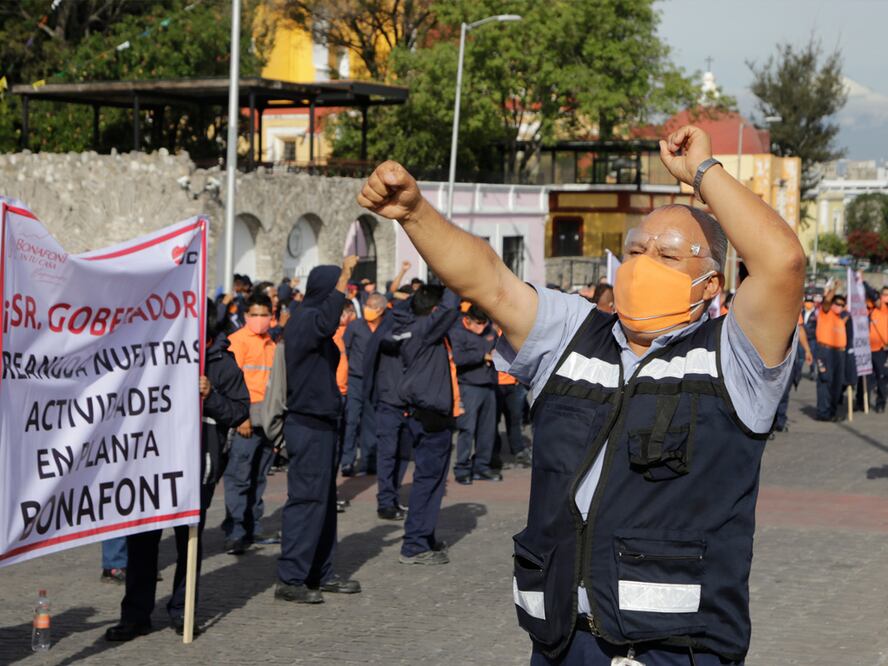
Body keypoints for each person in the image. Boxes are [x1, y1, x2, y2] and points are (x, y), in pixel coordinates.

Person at [357, 124, 806, 664]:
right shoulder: (573, 331)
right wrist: (414, 213)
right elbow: (489, 282)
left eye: (667, 255)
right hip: (562, 640)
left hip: (671, 649)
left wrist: (703, 174)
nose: (643, 263)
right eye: (636, 249)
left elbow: (782, 262)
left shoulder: (733, 355)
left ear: (710, 285)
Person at [106, 301, 250, 640]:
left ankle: (182, 611)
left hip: (196, 469)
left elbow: (239, 412)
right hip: (152, 465)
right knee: (142, 542)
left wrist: (210, 395)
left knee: (190, 544)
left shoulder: (222, 364)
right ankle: (135, 615)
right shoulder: (152, 354)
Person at [276, 257, 362, 604]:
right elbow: (327, 320)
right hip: (307, 423)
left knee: (324, 504)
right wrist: (345, 275)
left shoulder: (312, 318)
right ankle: (291, 578)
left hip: (324, 423)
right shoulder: (305, 319)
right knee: (306, 500)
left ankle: (320, 572)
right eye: (337, 291)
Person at [395, 285, 461, 565]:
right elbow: (450, 307)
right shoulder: (424, 328)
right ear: (433, 310)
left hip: (428, 411)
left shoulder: (413, 326)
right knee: (428, 481)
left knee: (431, 480)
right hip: (430, 414)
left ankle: (423, 535)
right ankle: (415, 544)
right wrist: (453, 278)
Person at [221, 292, 279, 554]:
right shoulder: (237, 341)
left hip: (267, 420)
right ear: (245, 316)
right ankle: (236, 532)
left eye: (263, 315)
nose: (259, 319)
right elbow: (231, 385)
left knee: (258, 478)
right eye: (254, 314)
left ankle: (252, 527)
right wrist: (240, 417)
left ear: (271, 316)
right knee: (239, 478)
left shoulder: (272, 345)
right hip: (246, 418)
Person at [364, 295, 412, 520]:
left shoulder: (413, 335)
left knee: (402, 455)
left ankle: (392, 497)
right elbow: (385, 343)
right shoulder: (388, 332)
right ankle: (385, 501)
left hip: (408, 404)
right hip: (389, 403)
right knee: (388, 455)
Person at [450, 305, 501, 484]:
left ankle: (482, 466)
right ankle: (462, 468)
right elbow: (458, 358)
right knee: (467, 429)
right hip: (468, 386)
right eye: (478, 323)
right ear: (467, 320)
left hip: (489, 385)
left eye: (484, 323)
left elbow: (498, 349)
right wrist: (482, 356)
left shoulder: (490, 331)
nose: (482, 327)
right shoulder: (456, 333)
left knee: (487, 430)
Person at [341, 293, 387, 476]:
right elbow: (346, 349)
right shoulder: (355, 326)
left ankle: (369, 462)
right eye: (367, 305)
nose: (367, 309)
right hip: (355, 379)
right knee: (351, 420)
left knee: (371, 422)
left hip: (375, 381)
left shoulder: (386, 328)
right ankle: (347, 461)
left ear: (381, 310)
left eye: (372, 306)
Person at [814, 285, 847, 421]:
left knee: (837, 383)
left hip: (839, 353)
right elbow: (827, 301)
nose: (839, 306)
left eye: (842, 305)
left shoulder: (840, 319)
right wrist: (835, 289)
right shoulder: (825, 313)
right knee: (825, 380)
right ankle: (823, 412)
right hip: (825, 351)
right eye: (837, 304)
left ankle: (832, 412)